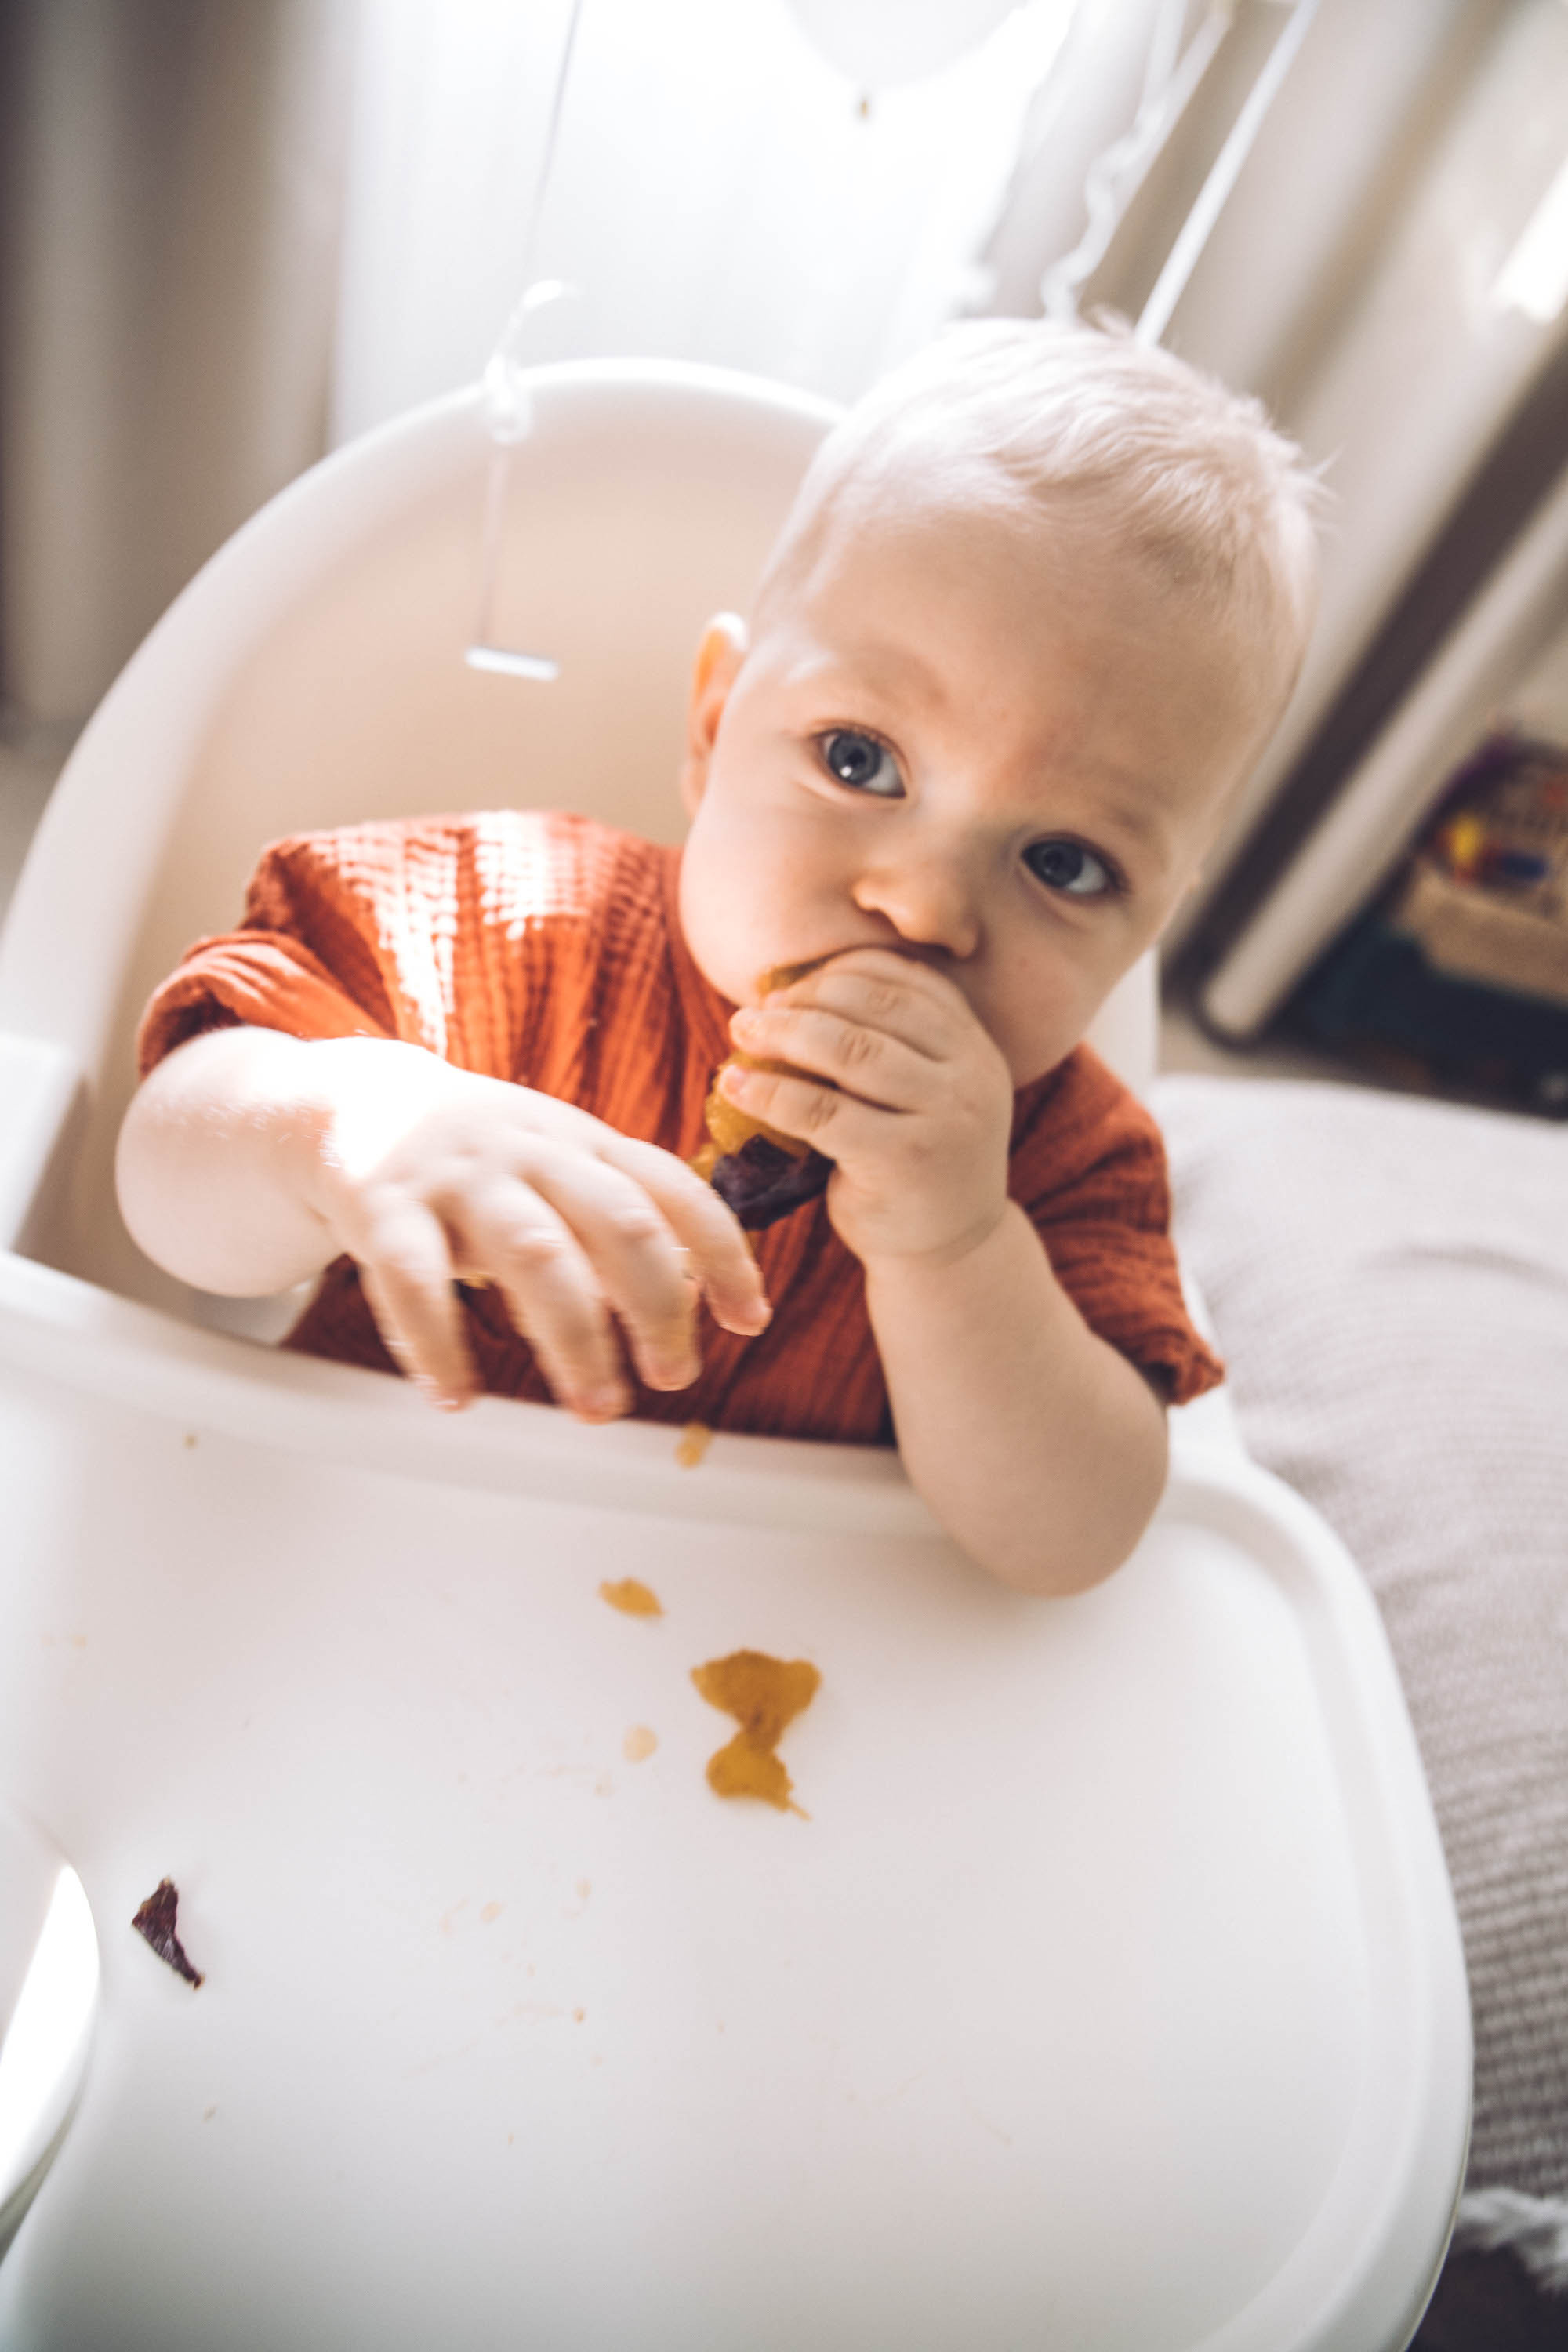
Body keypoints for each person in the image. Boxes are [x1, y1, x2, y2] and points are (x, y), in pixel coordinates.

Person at [115, 318, 1321, 1596]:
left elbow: (1071, 1544)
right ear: (713, 722)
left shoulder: (1066, 1163)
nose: (918, 908)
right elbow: (161, 1198)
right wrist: (346, 1129)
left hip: (764, 1682)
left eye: (1066, 863)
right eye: (860, 759)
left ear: (1152, 926)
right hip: (349, 1581)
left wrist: (958, 1251)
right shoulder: (509, 923)